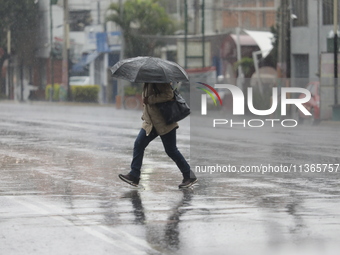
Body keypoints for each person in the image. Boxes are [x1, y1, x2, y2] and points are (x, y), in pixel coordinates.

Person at [119, 82, 197, 189]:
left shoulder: (159, 80)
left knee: (171, 150)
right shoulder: (148, 82)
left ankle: (189, 176)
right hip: (150, 123)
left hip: (164, 122)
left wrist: (150, 100)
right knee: (139, 144)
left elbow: (168, 95)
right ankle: (134, 175)